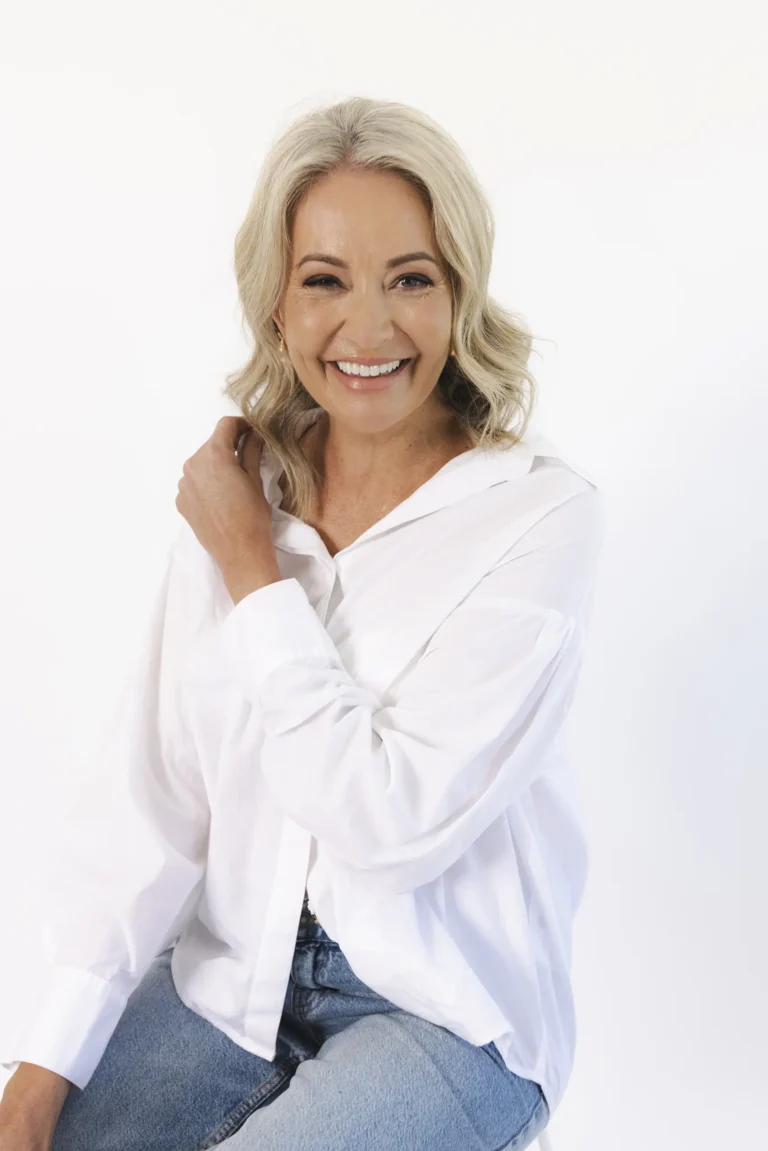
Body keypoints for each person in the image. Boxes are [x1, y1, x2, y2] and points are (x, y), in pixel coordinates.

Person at [0, 95, 604, 1150]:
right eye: (324, 280)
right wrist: (41, 1065)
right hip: (230, 976)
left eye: (410, 279)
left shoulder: (537, 517)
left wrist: (250, 566)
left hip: (444, 1013)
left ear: (459, 291)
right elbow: (152, 799)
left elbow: (387, 822)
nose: (366, 329)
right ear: (275, 304)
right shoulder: (248, 488)